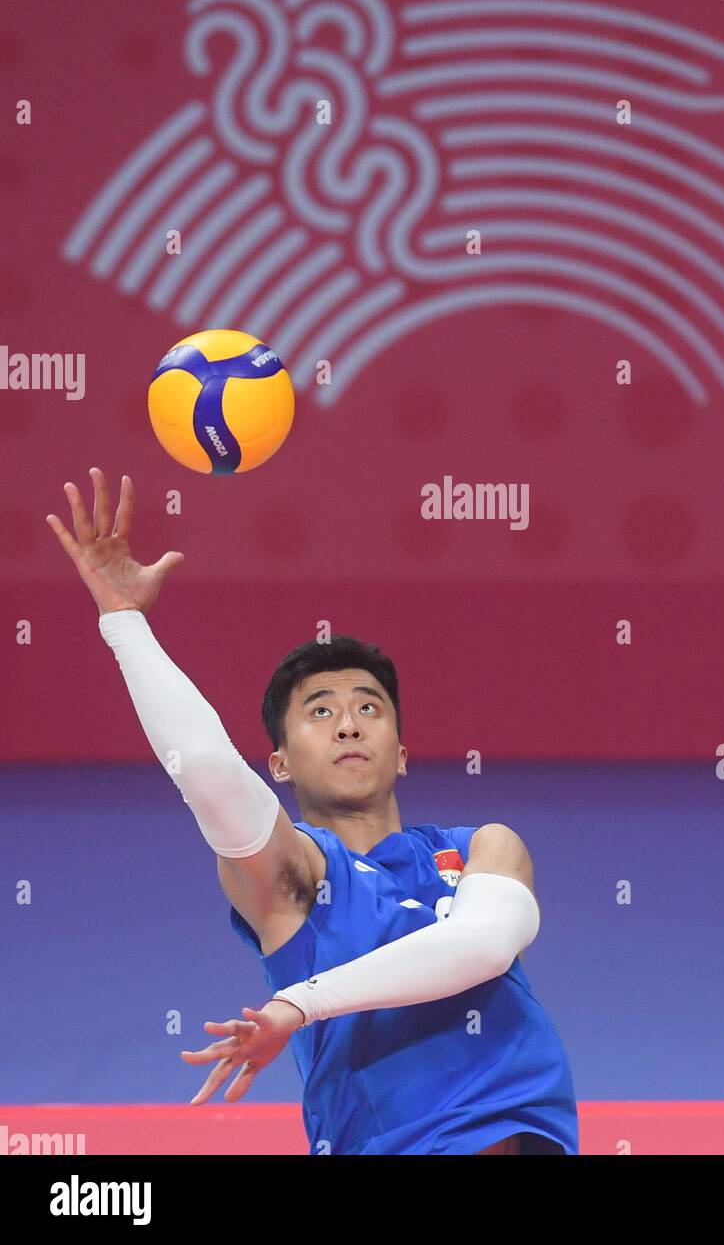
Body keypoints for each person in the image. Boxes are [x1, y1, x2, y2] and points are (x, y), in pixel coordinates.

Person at [46, 468, 579, 1155]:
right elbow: (205, 767)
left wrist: (296, 1005)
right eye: (320, 712)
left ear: (402, 753)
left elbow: (483, 946)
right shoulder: (296, 877)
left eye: (369, 708)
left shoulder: (484, 846)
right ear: (279, 765)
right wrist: (124, 622)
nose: (349, 724)